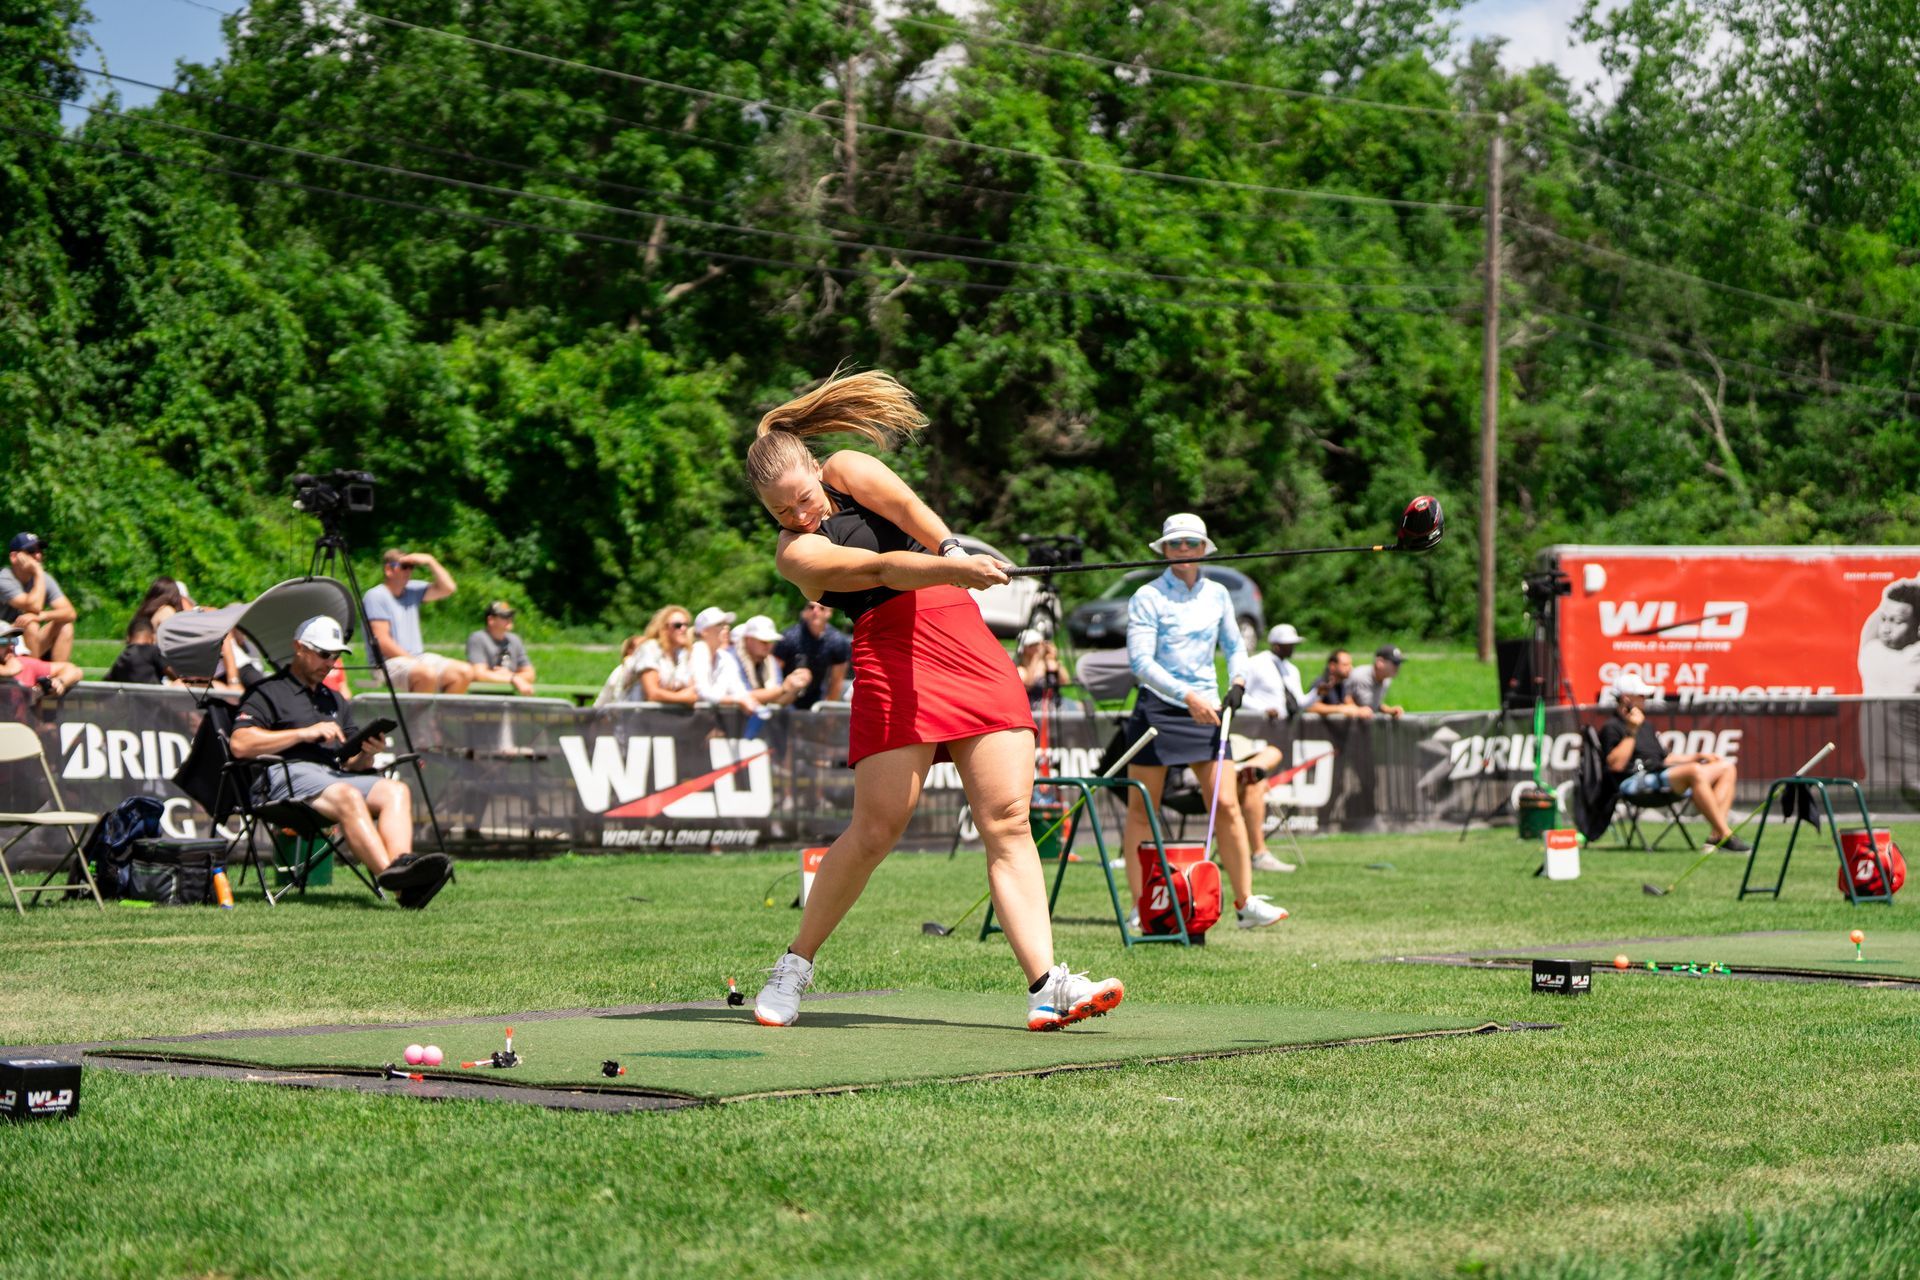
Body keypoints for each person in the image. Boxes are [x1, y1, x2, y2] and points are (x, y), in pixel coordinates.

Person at [745, 368, 1122, 1032]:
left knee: (1006, 818)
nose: (802, 516)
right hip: (891, 650)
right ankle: (794, 965)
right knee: (876, 830)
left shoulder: (847, 466)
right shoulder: (796, 556)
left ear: (813, 467)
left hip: (960, 634)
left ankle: (1047, 986)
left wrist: (951, 548)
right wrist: (953, 566)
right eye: (783, 513)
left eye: (803, 499)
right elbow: (886, 570)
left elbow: (911, 517)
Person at [1120, 512, 1289, 930]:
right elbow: (1141, 662)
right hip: (1160, 708)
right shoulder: (1147, 596)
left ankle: (1245, 902)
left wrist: (1239, 681)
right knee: (1143, 808)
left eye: (1190, 543)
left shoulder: (1217, 595)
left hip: (1208, 708)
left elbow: (1235, 645)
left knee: (1228, 803)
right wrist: (1187, 697)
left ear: (1202, 549)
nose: (1182, 550)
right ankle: (1142, 907)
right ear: (1164, 550)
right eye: (1175, 544)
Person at [229, 616, 454, 907]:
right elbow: (239, 744)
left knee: (396, 790)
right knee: (347, 795)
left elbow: (352, 765)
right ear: (299, 648)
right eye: (324, 654)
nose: (330, 662)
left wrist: (368, 752)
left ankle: (402, 865)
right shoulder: (267, 691)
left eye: (335, 655)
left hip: (333, 779)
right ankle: (396, 879)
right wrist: (302, 734)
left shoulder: (335, 700)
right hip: (285, 778)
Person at [1600, 672, 1749, 852]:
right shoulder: (1612, 727)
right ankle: (1726, 834)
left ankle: (1714, 836)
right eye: (1641, 695)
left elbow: (1664, 758)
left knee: (1726, 767)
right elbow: (1616, 765)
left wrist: (1698, 755)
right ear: (1626, 699)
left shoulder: (1646, 725)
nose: (1646, 698)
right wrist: (1632, 730)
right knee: (1694, 771)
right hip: (1634, 782)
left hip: (1658, 774)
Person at [363, 549, 472, 694]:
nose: (408, 571)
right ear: (388, 570)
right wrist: (413, 661)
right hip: (387, 662)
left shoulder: (412, 590)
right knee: (426, 674)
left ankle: (441, 716)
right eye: (404, 566)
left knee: (464, 672)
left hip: (416, 658)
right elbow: (382, 641)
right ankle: (420, 717)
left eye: (411, 567)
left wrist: (430, 561)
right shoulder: (376, 595)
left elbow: (448, 588)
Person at [594, 606, 698, 706]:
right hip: (638, 717)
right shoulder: (650, 649)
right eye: (677, 625)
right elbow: (652, 694)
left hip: (665, 719)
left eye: (686, 624)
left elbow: (691, 689)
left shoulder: (682, 654)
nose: (684, 629)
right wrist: (682, 698)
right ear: (663, 628)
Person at [0, 533, 75, 663]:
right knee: (31, 625)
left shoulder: (43, 578)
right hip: (2, 641)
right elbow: (34, 606)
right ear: (14, 557)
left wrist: (41, 616)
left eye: (40, 551)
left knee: (65, 626)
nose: (38, 556)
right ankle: (33, 676)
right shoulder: (4, 579)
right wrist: (38, 572)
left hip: (21, 642)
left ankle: (52, 679)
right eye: (31, 551)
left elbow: (70, 613)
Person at [773, 600, 852, 708]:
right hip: (785, 697)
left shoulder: (837, 641)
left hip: (817, 698)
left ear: (829, 613)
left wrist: (828, 713)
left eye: (822, 608)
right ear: (805, 611)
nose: (815, 611)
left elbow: (836, 681)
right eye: (811, 607)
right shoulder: (789, 637)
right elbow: (774, 674)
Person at [689, 607, 761, 711]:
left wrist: (747, 700)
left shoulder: (725, 656)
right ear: (704, 631)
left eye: (726, 625)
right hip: (693, 720)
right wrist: (737, 700)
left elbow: (738, 688)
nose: (726, 629)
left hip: (711, 719)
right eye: (719, 625)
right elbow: (702, 692)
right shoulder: (698, 651)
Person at [736, 614, 812, 707]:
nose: (768, 645)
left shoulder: (772, 663)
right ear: (748, 640)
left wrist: (794, 688)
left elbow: (779, 701)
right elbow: (743, 696)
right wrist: (783, 688)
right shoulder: (734, 660)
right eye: (763, 641)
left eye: (771, 641)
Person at [465, 601, 537, 695]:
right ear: (491, 620)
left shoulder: (515, 640)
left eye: (511, 616)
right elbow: (479, 675)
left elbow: (531, 674)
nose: (509, 619)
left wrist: (511, 676)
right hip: (483, 698)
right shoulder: (478, 638)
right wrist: (514, 679)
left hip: (509, 699)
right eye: (504, 616)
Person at [0, 625, 81, 698]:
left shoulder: (24, 663)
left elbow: (74, 670)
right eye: (3, 641)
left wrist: (59, 681)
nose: (10, 646)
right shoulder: (15, 666)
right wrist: (10, 670)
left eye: (13, 640)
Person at [1307, 649, 1373, 719]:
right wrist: (1341, 709)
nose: (1350, 668)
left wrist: (1360, 710)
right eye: (1345, 665)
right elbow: (1311, 706)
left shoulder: (1342, 684)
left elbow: (1348, 702)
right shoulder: (1323, 684)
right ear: (1332, 666)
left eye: (1350, 664)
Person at [1347, 644, 1407, 718]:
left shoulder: (1387, 680)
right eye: (1395, 663)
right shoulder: (1358, 676)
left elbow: (1373, 705)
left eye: (1399, 663)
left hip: (1364, 725)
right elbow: (1342, 699)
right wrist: (1357, 710)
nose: (1398, 667)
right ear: (1380, 662)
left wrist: (1389, 710)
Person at [1013, 628, 1061, 706]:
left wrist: (1054, 659)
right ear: (1024, 648)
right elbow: (1027, 686)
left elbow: (1065, 681)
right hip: (1035, 707)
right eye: (1033, 645)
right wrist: (1036, 658)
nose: (1038, 647)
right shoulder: (1020, 669)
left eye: (1039, 644)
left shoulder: (1048, 663)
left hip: (1055, 704)